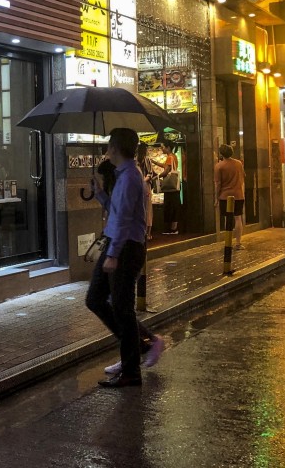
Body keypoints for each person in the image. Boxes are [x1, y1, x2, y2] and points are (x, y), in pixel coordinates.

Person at [87, 127, 164, 388]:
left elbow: (122, 220)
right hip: (119, 244)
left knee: (121, 307)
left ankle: (132, 369)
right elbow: (116, 210)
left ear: (115, 149)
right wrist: (99, 193)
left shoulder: (130, 177)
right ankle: (137, 346)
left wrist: (113, 254)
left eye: (109, 146)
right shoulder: (124, 176)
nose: (106, 151)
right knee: (96, 299)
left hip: (125, 248)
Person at [214, 144, 246, 248]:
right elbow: (242, 177)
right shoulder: (238, 164)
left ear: (221, 153)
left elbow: (218, 184)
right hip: (238, 194)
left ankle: (228, 242)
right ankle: (238, 243)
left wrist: (216, 198)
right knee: (238, 218)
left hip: (225, 196)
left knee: (227, 218)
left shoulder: (219, 166)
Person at [154, 142, 181, 235]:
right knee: (174, 207)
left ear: (168, 147)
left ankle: (171, 229)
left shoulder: (170, 157)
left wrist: (157, 177)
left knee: (170, 207)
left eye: (163, 147)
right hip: (173, 188)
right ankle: (174, 228)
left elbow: (166, 171)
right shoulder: (173, 156)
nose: (162, 149)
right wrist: (154, 162)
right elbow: (165, 166)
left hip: (170, 188)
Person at [136, 142, 155, 241]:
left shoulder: (140, 160)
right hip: (145, 186)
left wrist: (142, 180)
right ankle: (147, 233)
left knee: (145, 209)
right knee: (147, 209)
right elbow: (150, 174)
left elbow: (150, 174)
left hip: (142, 186)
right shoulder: (143, 160)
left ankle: (146, 233)